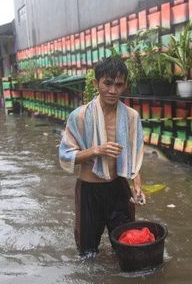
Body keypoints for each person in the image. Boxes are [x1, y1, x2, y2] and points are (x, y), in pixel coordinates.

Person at [59, 57, 146, 257]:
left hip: (118, 188)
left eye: (118, 84)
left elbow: (134, 160)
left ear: (125, 86)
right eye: (107, 83)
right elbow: (65, 156)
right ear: (95, 83)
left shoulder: (131, 117)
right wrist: (97, 150)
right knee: (87, 253)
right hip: (89, 190)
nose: (113, 90)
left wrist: (137, 187)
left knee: (126, 246)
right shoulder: (79, 116)